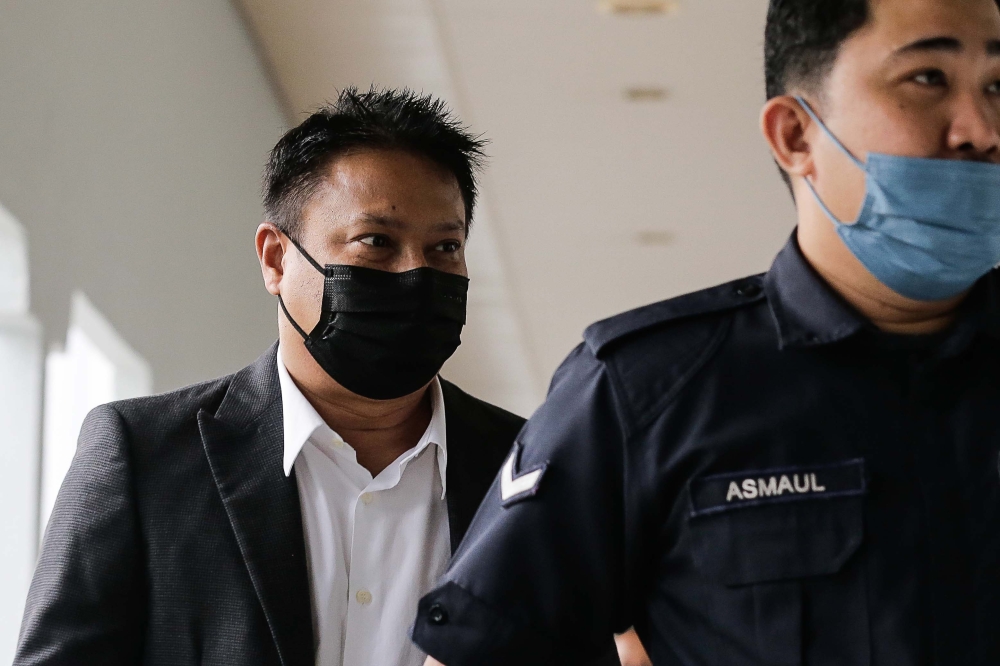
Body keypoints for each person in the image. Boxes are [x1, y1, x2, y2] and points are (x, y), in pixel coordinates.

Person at [413, 0, 1000, 663]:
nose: (981, 130)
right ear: (796, 136)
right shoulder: (643, 394)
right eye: (927, 78)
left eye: (996, 87)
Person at [15, 87, 526, 666]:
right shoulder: (146, 456)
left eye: (444, 248)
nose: (415, 273)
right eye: (377, 243)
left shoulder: (533, 469)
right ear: (276, 259)